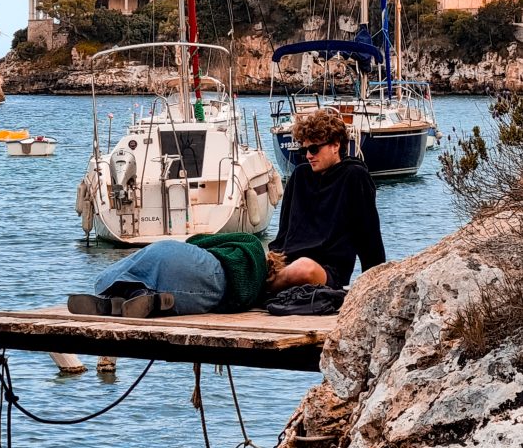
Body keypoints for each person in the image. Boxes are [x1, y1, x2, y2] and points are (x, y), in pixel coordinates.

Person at [267, 110, 385, 294]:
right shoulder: (299, 176)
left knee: (303, 268)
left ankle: (263, 289)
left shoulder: (354, 176)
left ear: (335, 145)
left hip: (327, 270)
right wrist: (270, 262)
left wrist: (376, 284)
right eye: (304, 150)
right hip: (289, 263)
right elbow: (284, 233)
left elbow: (369, 236)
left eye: (314, 149)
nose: (308, 155)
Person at [67, 233, 267, 319]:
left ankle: (116, 298)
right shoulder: (254, 291)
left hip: (179, 253)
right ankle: (149, 298)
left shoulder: (250, 244)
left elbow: (198, 240)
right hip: (208, 284)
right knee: (181, 297)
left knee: (106, 280)